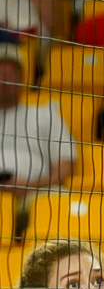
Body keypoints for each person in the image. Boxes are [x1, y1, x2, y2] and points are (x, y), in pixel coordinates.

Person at [0, 43, 75, 196]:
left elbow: (64, 167)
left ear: (20, 79)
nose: (4, 81)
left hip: (35, 192)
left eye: (9, 74)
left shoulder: (44, 115)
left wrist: (30, 185)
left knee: (57, 197)